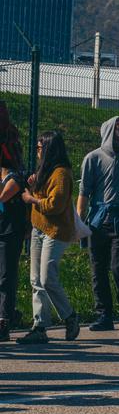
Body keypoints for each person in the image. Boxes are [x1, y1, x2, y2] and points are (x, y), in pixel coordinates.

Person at [77, 117, 119, 331]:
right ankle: (104, 315)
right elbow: (84, 192)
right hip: (97, 222)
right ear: (109, 133)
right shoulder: (92, 158)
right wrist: (79, 222)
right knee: (98, 270)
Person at [17, 131, 79, 344]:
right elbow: (44, 195)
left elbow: (54, 205)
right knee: (35, 279)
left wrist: (30, 198)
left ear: (50, 149)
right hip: (38, 228)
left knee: (47, 278)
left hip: (56, 231)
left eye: (40, 147)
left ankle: (69, 316)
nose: (37, 151)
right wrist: (34, 183)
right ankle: (39, 326)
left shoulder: (61, 173)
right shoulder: (45, 170)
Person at [0, 115, 25, 342]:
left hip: (9, 232)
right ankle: (9, 314)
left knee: (6, 277)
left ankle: (5, 321)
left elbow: (3, 197)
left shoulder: (15, 176)